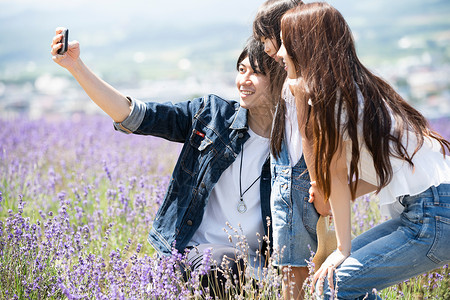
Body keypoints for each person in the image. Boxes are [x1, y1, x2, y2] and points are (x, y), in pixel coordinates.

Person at [51, 30, 285, 297]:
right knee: (223, 264)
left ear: (278, 80)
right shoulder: (212, 116)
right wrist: (76, 66)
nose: (243, 80)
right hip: (200, 257)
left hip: (260, 273)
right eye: (241, 69)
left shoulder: (293, 142)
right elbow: (136, 115)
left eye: (255, 72)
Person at [278, 2, 450, 299]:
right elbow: (388, 172)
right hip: (429, 211)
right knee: (333, 284)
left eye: (285, 43)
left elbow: (333, 174)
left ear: (303, 45)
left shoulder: (332, 100)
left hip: (432, 216)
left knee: (331, 286)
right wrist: (334, 199)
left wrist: (343, 249)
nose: (280, 54)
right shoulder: (358, 88)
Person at [253, 1, 333, 299]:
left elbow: (308, 134)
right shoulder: (299, 77)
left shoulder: (295, 82)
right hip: (296, 181)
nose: (265, 49)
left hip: (296, 184)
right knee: (305, 268)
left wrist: (318, 184)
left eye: (266, 40)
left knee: (294, 271)